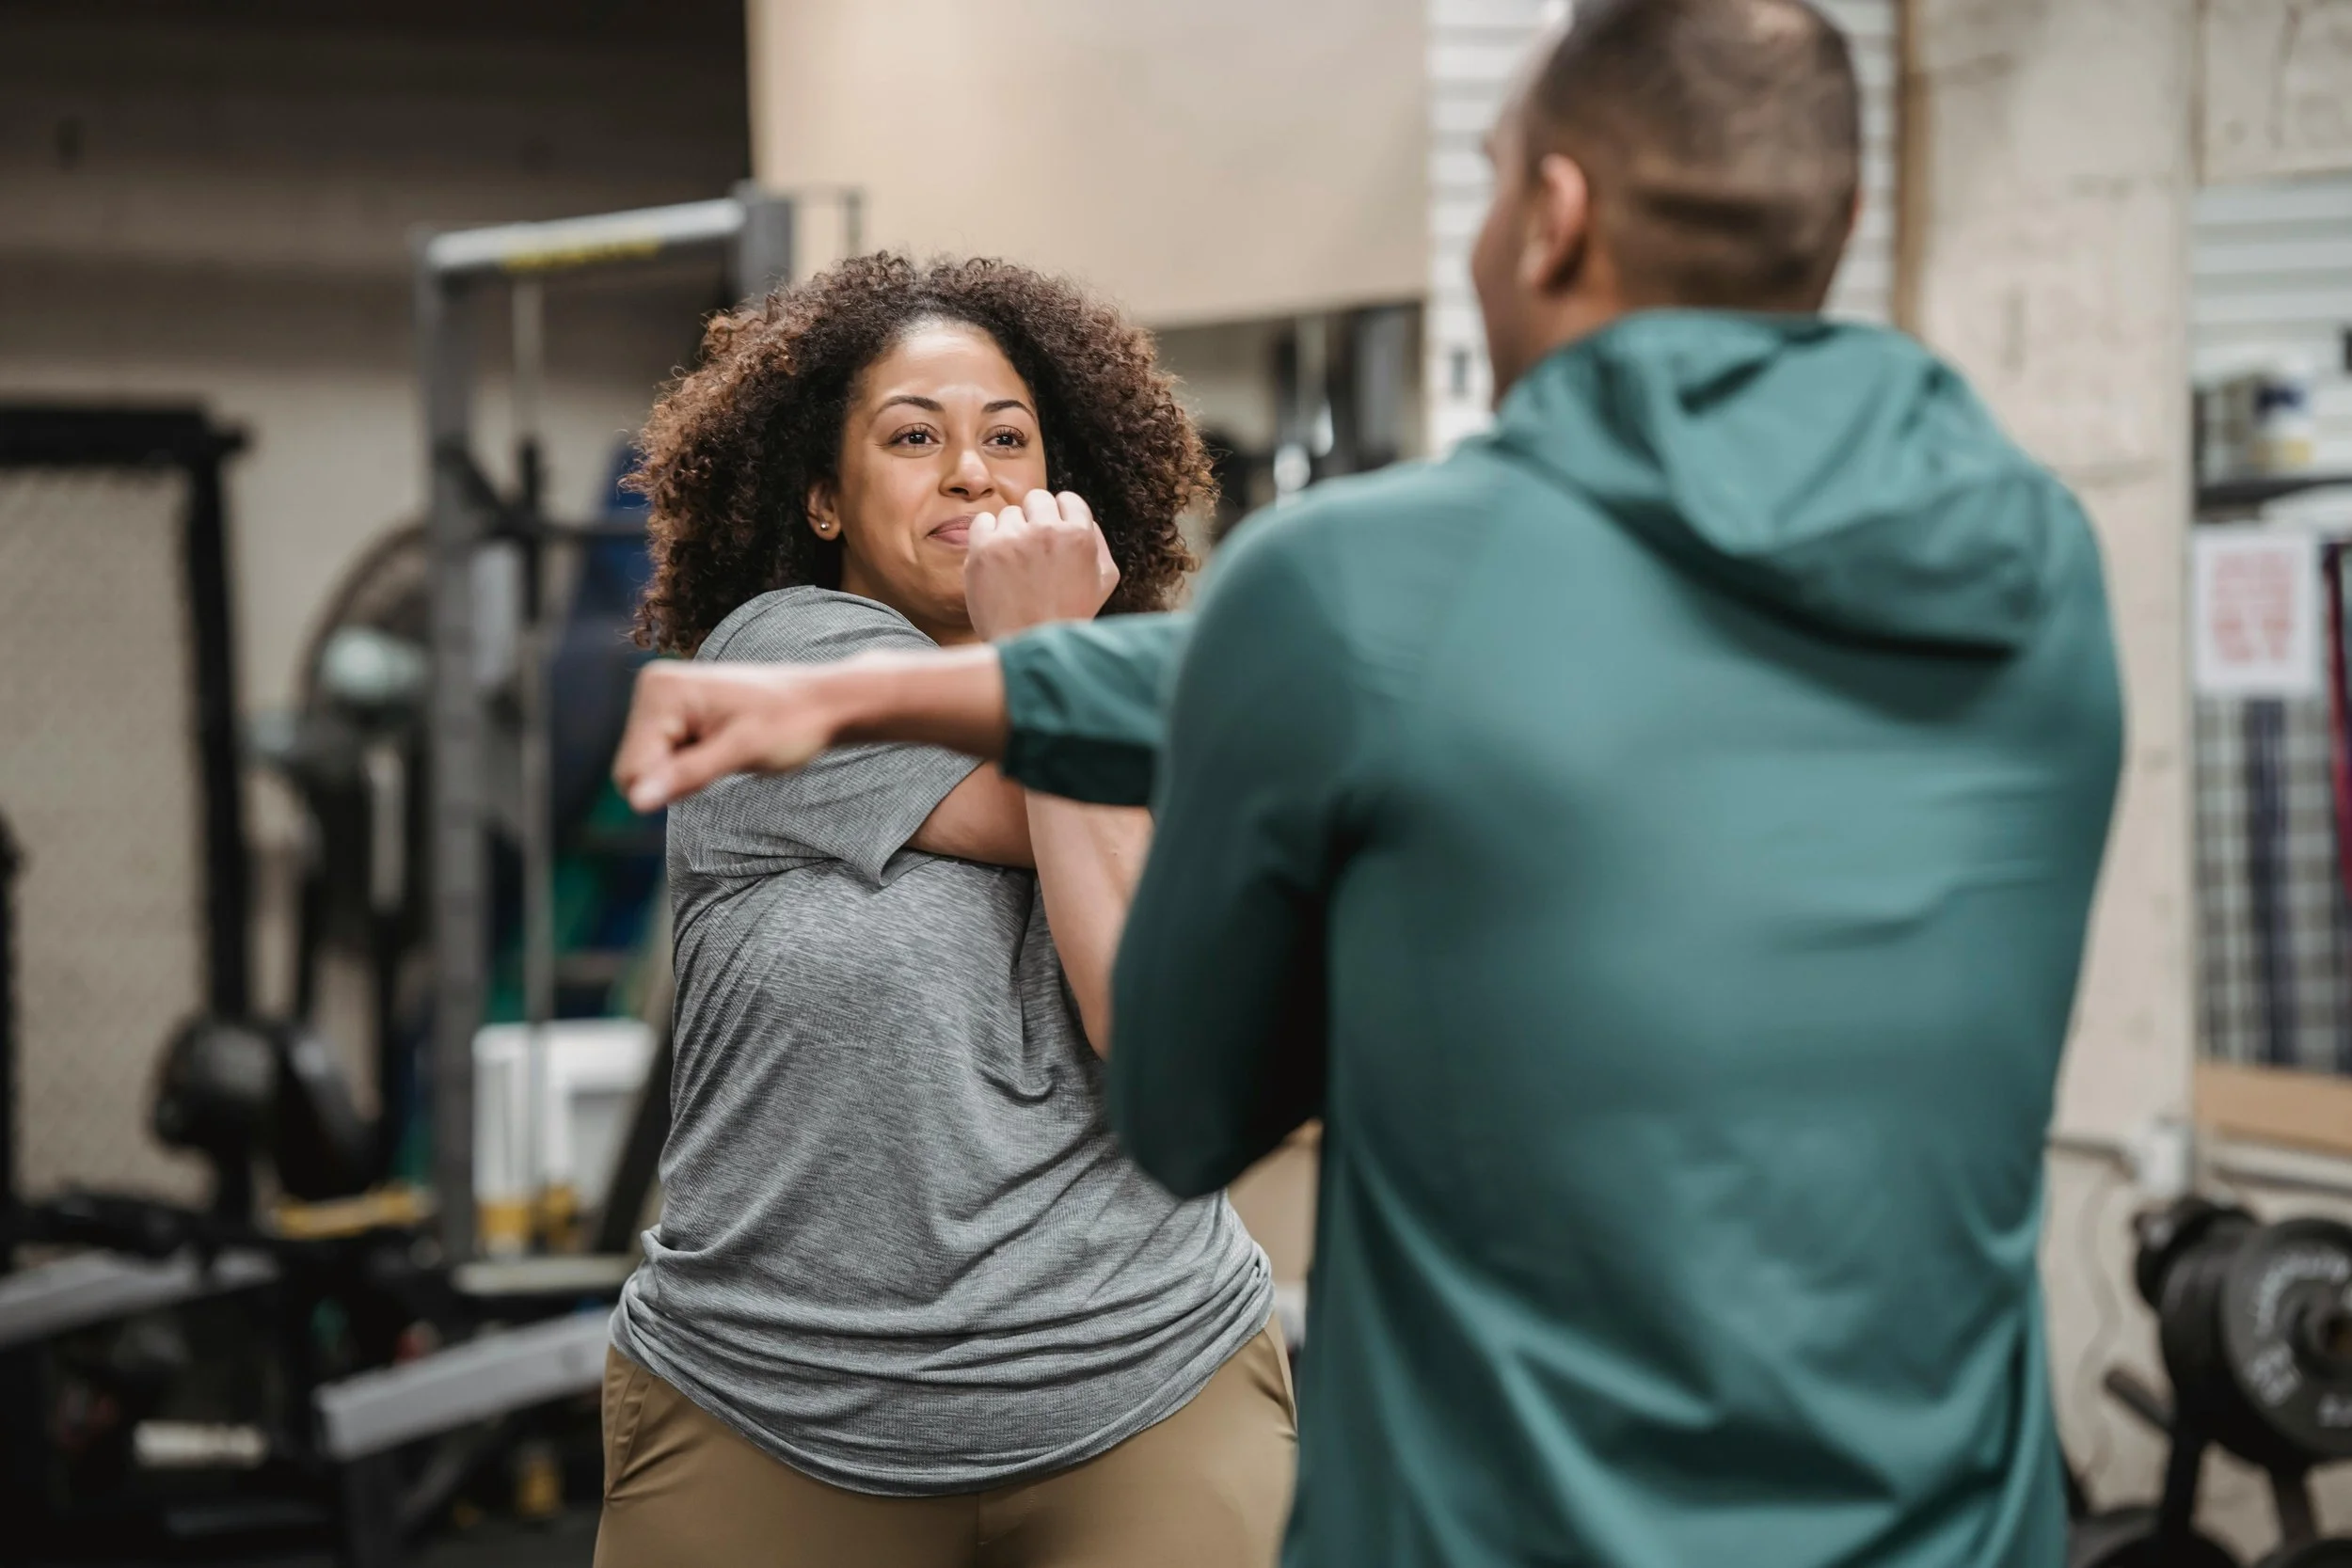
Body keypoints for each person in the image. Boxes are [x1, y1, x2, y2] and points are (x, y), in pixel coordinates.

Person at [613, 3, 2125, 1565]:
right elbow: (1368, 668)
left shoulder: (1349, 594)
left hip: (1495, 1520)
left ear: (1554, 218)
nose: (974, 471)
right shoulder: (2037, 570)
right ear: (1841, 220)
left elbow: (1187, 1095)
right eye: (918, 439)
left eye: (1486, 181)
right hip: (1945, 1529)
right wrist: (902, 684)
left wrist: (971, 691)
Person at [595, 255, 1293, 1568]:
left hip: (1145, 1384)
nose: (972, 472)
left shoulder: (1145, 700)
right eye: (913, 436)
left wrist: (1066, 667)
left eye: (1009, 438)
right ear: (820, 497)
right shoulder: (780, 666)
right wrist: (1062, 664)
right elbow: (1056, 778)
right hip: (777, 1413)